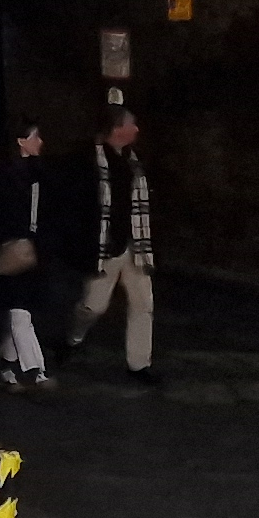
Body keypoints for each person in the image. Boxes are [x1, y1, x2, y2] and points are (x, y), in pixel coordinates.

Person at [71, 104, 159, 385]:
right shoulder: (90, 160)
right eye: (131, 124)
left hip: (135, 243)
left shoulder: (135, 160)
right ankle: (74, 337)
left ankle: (139, 364)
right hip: (106, 246)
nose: (137, 129)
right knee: (94, 305)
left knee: (143, 303)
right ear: (117, 128)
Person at [0, 120, 54, 388]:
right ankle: (35, 370)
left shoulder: (34, 174)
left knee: (18, 312)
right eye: (35, 137)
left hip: (27, 250)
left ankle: (6, 366)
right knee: (20, 312)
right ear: (21, 142)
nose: (40, 142)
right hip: (16, 250)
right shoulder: (12, 177)